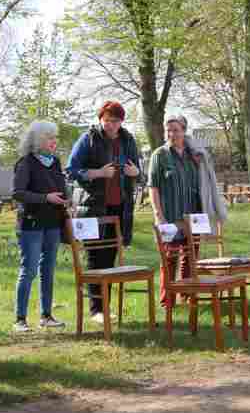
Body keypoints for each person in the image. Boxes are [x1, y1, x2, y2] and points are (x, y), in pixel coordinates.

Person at [67, 101, 142, 321]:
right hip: (92, 208)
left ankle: (105, 308)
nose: (110, 124)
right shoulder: (88, 139)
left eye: (115, 121)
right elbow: (71, 170)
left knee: (109, 258)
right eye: (107, 120)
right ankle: (96, 310)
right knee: (94, 257)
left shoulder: (128, 140)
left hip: (119, 208)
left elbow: (139, 172)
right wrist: (97, 173)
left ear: (121, 122)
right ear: (100, 119)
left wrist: (135, 172)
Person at [11, 120, 69, 333]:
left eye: (55, 137)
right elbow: (17, 193)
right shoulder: (25, 163)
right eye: (49, 138)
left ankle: (46, 315)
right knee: (29, 270)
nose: (54, 142)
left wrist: (65, 198)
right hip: (31, 224)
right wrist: (46, 198)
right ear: (37, 140)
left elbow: (60, 189)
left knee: (48, 270)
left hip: (53, 223)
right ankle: (20, 319)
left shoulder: (54, 162)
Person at [148, 115, 203, 300]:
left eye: (176, 130)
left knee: (190, 258)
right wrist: (158, 215)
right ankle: (167, 299)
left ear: (184, 131)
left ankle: (187, 295)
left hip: (192, 216)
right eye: (168, 130)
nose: (171, 134)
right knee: (169, 259)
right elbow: (153, 187)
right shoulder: (160, 155)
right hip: (169, 216)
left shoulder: (193, 155)